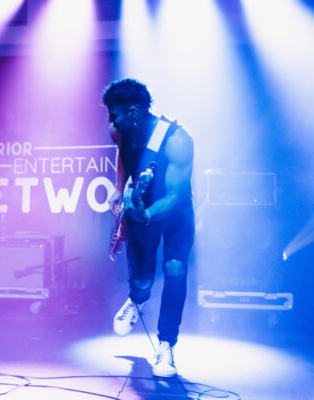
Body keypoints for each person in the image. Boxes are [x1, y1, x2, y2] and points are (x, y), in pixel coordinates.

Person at [103, 79, 194, 378]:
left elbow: (176, 196)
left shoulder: (177, 140)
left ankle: (166, 344)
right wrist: (119, 188)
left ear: (132, 111)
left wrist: (145, 214)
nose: (110, 121)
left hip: (173, 211)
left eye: (114, 114)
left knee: (175, 268)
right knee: (142, 281)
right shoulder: (120, 130)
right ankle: (137, 299)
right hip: (140, 209)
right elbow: (123, 156)